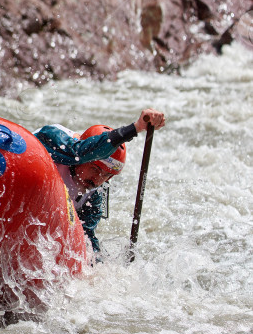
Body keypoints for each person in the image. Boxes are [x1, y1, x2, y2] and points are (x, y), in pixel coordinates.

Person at [34, 109, 166, 254]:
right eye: (95, 169)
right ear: (86, 158)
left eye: (107, 175)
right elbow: (78, 151)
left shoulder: (94, 194)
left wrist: (96, 265)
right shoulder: (55, 138)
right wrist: (136, 128)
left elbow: (87, 236)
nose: (98, 179)